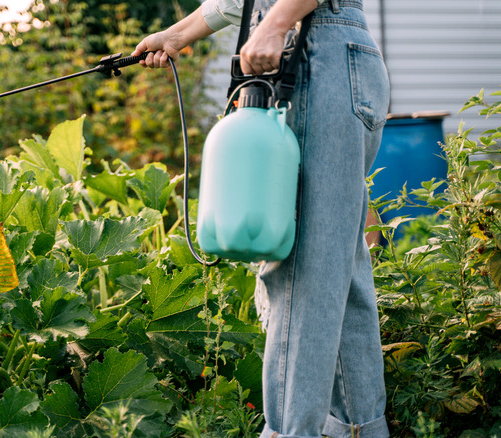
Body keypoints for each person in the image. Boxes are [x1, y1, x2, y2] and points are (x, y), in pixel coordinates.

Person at [131, 0, 391, 437]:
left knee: (301, 270)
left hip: (316, 49)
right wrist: (178, 36)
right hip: (325, 51)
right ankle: (359, 429)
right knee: (337, 272)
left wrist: (276, 23)